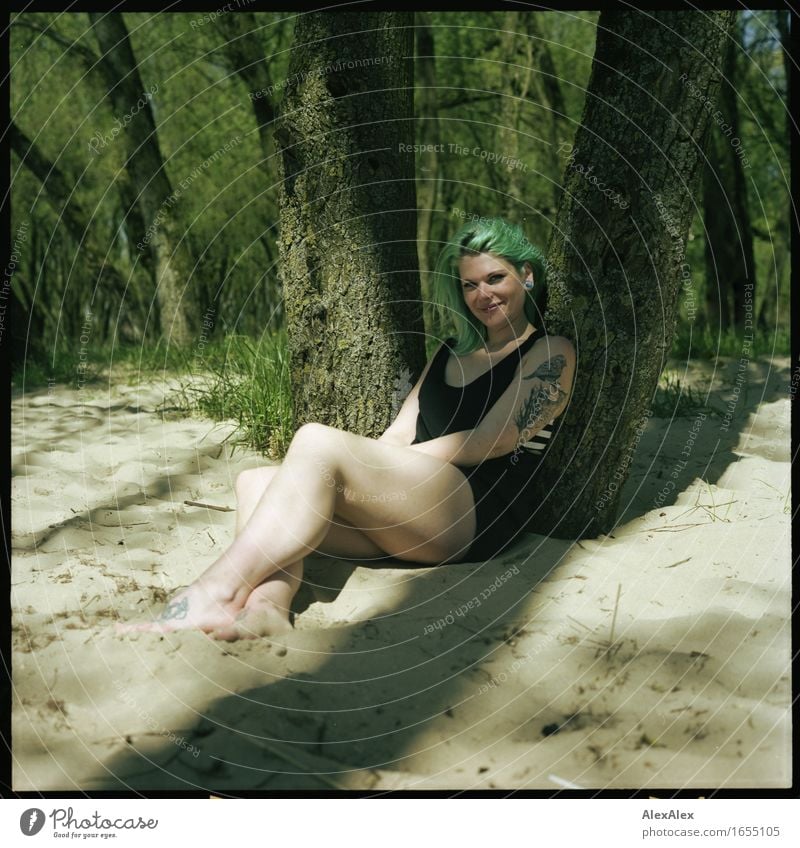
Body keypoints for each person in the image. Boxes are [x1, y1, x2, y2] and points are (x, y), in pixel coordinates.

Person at [119, 216, 576, 640]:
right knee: (256, 481)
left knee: (317, 441)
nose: (483, 295)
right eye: (470, 285)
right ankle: (267, 609)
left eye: (495, 278)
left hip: (475, 514)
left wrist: (365, 464)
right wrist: (360, 482)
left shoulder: (550, 351)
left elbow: (497, 439)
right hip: (412, 511)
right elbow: (398, 435)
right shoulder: (448, 353)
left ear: (527, 276)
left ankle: (214, 591)